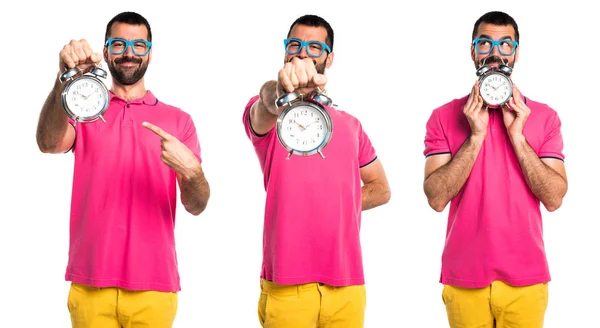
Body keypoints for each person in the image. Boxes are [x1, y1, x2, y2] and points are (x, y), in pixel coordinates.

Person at [36, 11, 210, 328]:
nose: (129, 53)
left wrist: (194, 174)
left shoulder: (179, 121)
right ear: (105, 52)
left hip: (155, 287)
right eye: (119, 44)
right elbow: (48, 143)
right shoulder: (83, 108)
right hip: (91, 283)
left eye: (138, 45)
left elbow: (195, 205)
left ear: (150, 53)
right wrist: (64, 79)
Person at [242, 14, 391, 328]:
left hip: (347, 285)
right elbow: (266, 103)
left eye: (314, 47)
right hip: (287, 285)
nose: (302, 53)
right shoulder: (271, 116)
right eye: (294, 45)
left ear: (330, 57)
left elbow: (381, 188)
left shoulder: (351, 126)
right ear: (285, 51)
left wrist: (333, 205)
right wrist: (280, 89)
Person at [423, 11, 568, 328]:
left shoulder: (544, 117)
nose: (495, 52)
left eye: (506, 44)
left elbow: (555, 198)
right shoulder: (443, 116)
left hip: (526, 279)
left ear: (516, 52)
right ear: (472, 50)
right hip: (464, 279)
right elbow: (435, 198)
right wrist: (475, 136)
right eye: (485, 42)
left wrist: (517, 135)